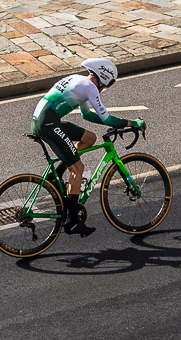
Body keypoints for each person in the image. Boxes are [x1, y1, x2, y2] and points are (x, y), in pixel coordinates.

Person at [29, 56, 141, 233]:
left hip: (46, 120)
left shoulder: (80, 81)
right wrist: (131, 123)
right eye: (108, 84)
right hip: (48, 124)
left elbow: (86, 115)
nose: (105, 88)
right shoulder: (90, 87)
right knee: (78, 169)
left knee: (89, 138)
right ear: (104, 77)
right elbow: (106, 118)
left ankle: (56, 173)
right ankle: (72, 221)